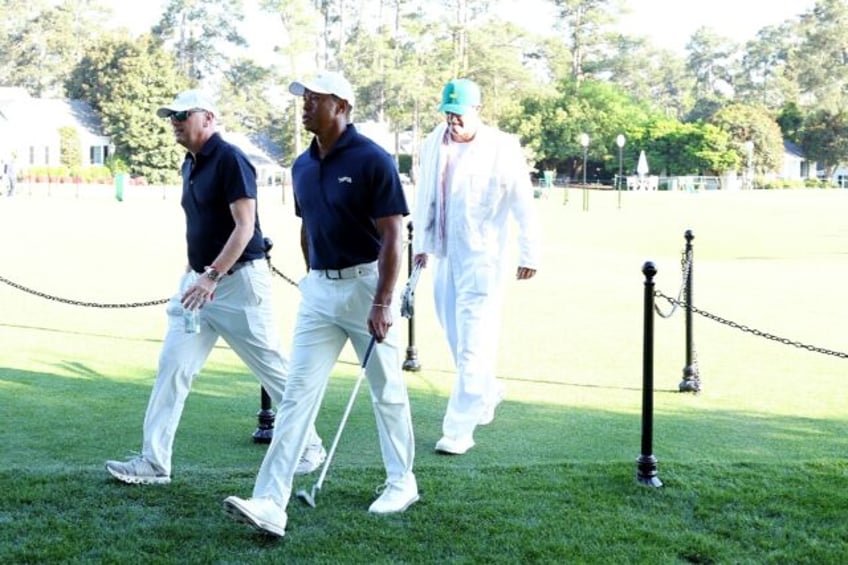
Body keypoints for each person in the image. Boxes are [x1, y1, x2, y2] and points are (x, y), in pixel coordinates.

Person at [224, 71, 418, 538]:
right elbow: (308, 226)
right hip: (320, 293)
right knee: (296, 396)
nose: (305, 106)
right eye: (304, 99)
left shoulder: (373, 159)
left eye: (315, 99)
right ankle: (271, 501)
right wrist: (313, 279)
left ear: (342, 106)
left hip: (367, 287)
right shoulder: (301, 166)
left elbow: (394, 235)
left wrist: (383, 301)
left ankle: (402, 481)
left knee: (386, 389)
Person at [105, 89, 325, 485]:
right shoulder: (190, 164)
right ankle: (155, 463)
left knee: (273, 369)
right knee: (172, 367)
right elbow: (202, 227)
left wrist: (211, 275)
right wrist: (194, 274)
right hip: (197, 286)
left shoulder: (231, 159)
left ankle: (309, 446)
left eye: (182, 115)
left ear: (207, 117)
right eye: (170, 116)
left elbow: (245, 227)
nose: (174, 122)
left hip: (237, 283)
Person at [412, 78, 542, 455]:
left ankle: (458, 430)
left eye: (458, 114)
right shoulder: (433, 142)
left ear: (477, 110)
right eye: (448, 113)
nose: (452, 121)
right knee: (454, 334)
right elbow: (425, 197)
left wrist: (529, 253)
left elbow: (523, 203)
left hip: (483, 257)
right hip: (444, 255)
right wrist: (422, 244)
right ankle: (486, 390)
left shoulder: (502, 147)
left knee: (473, 344)